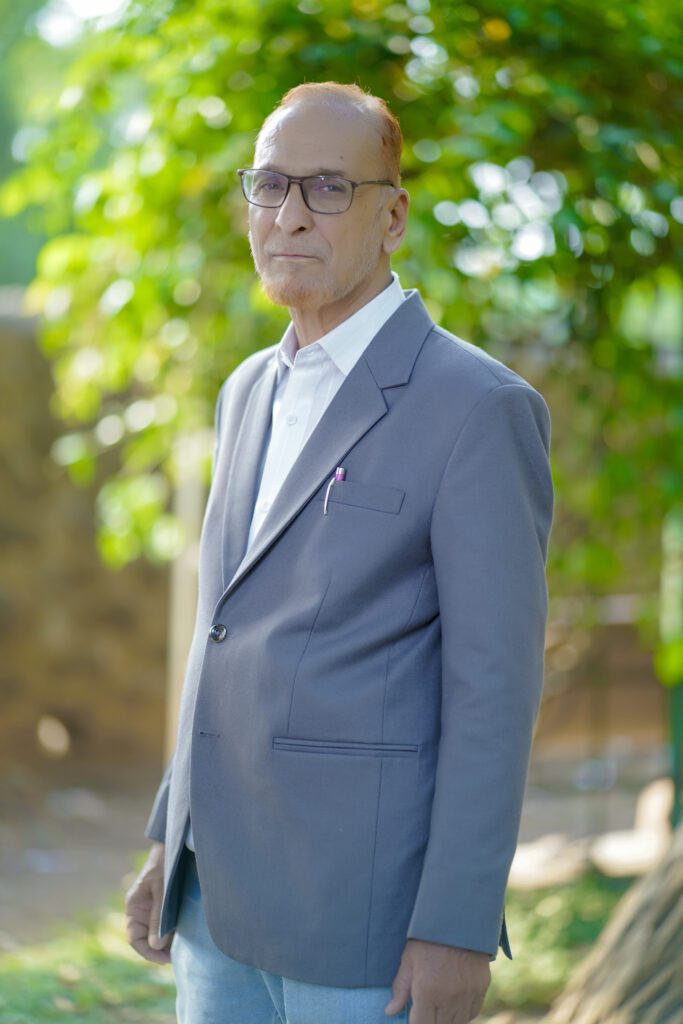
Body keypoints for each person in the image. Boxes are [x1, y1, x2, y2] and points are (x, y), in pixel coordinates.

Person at [125, 81, 554, 1024]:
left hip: (365, 926)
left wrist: (457, 924)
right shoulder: (246, 390)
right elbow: (222, 633)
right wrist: (169, 837)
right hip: (213, 906)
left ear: (391, 217)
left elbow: (493, 691)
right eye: (269, 185)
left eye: (327, 188)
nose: (288, 215)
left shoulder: (479, 409)